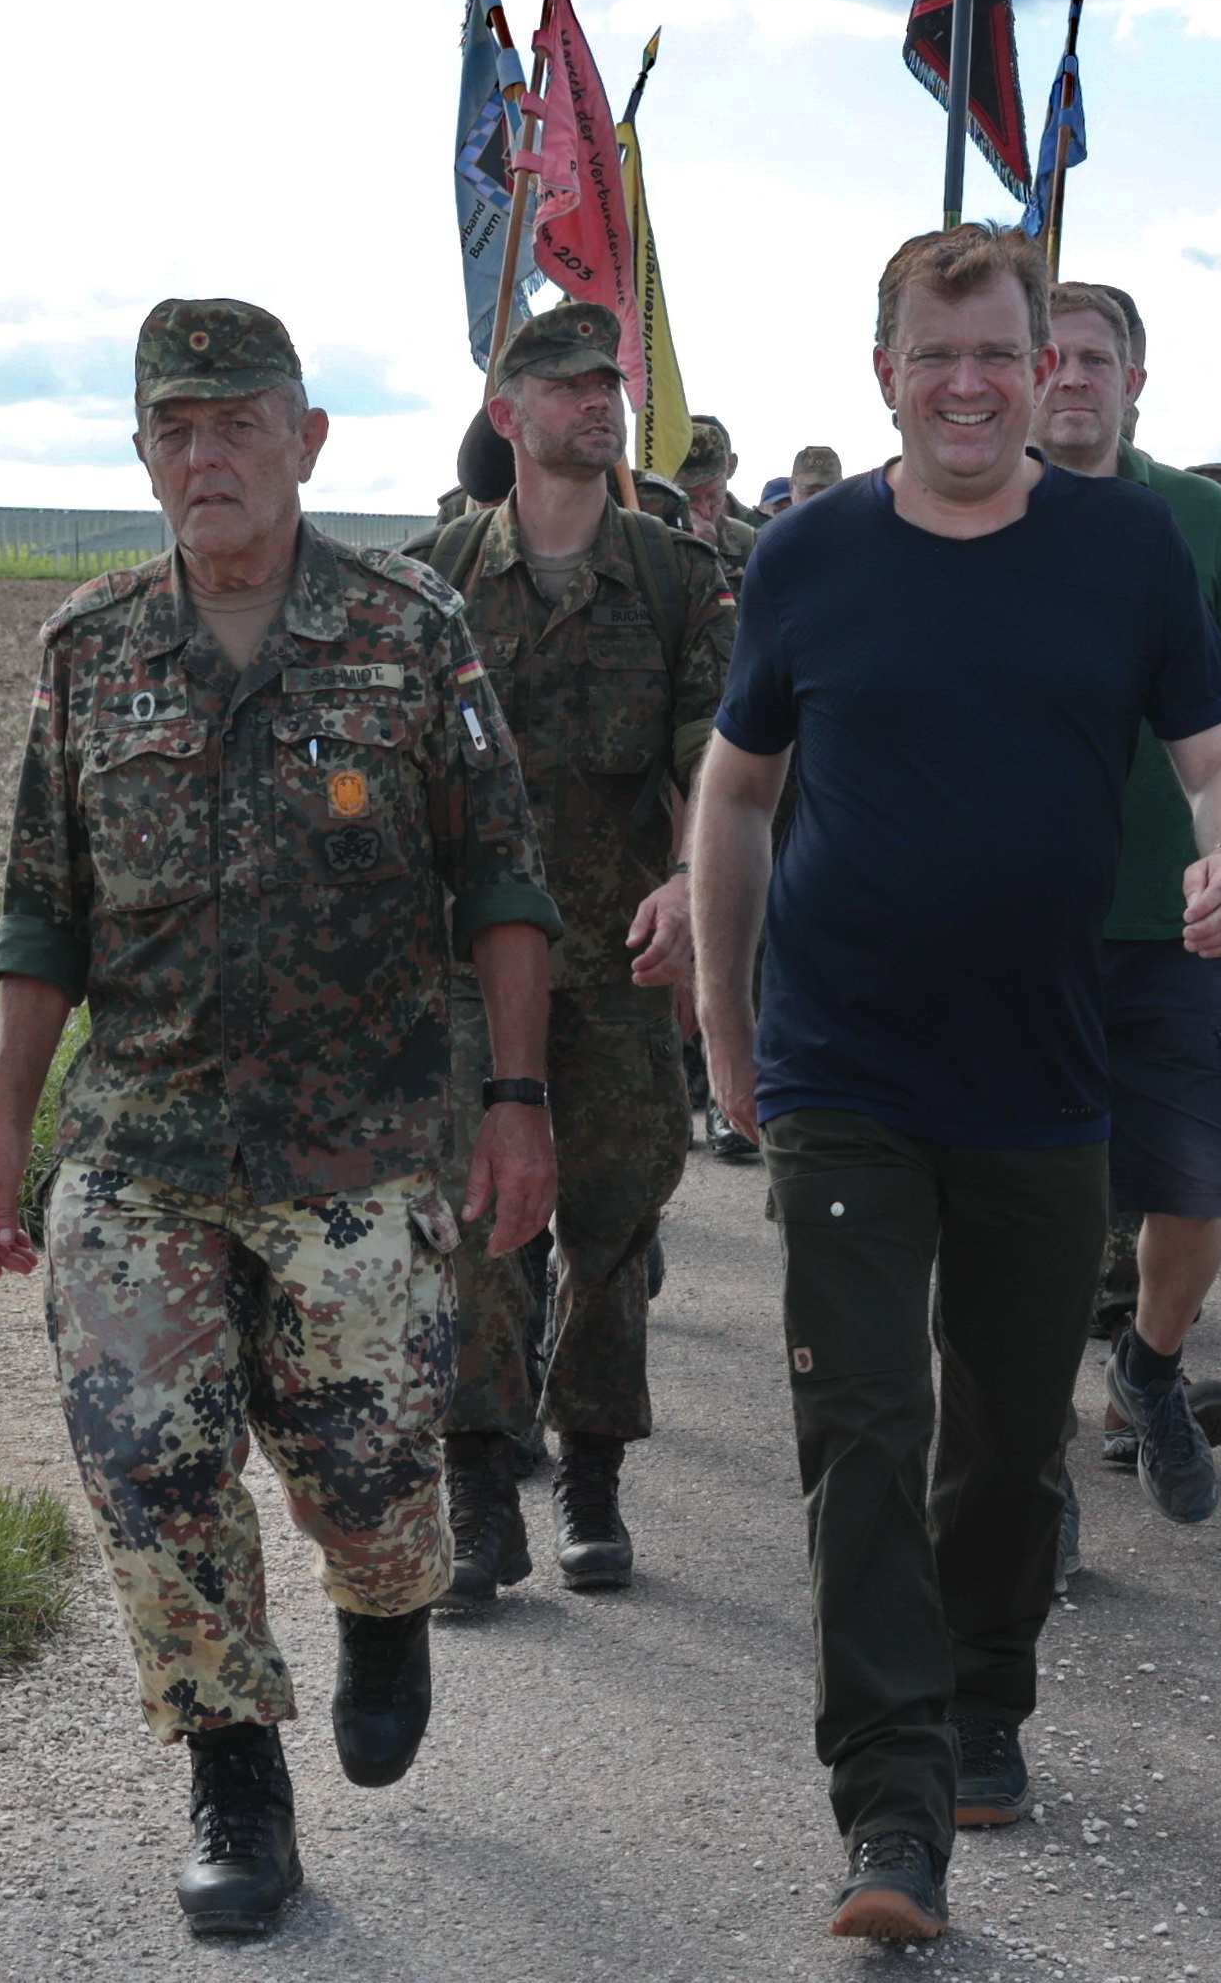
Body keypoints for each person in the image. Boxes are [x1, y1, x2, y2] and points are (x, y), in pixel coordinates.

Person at [687, 225, 1221, 1945]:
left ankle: (986, 1681)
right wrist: (727, 1026)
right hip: (843, 1066)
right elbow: (734, 794)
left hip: (1042, 1072)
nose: (967, 384)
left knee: (1007, 1442)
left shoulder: (1125, 549)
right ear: (883, 372)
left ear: (1040, 369)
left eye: (997, 353)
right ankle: (891, 1795)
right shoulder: (806, 558)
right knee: (861, 1426)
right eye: (933, 354)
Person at [0, 297, 562, 1940]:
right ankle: (234, 1766)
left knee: (366, 1466)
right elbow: (41, 916)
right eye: (176, 427)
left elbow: (503, 878)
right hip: (141, 1140)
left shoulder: (409, 626)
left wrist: (516, 1100)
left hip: (366, 1145)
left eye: (239, 424)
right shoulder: (87, 652)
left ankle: (384, 1601)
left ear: (305, 441)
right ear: (146, 450)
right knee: (149, 1463)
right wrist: (3, 1129)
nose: (206, 455)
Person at [404, 303, 733, 1609]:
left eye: (612, 379)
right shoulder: (432, 582)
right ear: (509, 414)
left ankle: (591, 1470)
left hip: (615, 952)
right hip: (460, 965)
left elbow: (722, 750)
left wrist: (697, 886)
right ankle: (480, 1488)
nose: (601, 397)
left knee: (611, 1224)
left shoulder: (671, 576)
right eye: (570, 380)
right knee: (475, 1221)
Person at [1035, 280, 1221, 1525]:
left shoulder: (1197, 518)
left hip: (1178, 916)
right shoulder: (969, 506)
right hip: (1016, 931)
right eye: (1050, 356)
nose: (1072, 377)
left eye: (1097, 358)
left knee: (1203, 1179)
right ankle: (1027, 1486)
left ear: (1134, 380)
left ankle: (1149, 1365)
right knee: (1028, 1205)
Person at [677, 413, 761, 574]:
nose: (705, 511)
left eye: (714, 496)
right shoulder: (647, 539)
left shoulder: (749, 542)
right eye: (691, 499)